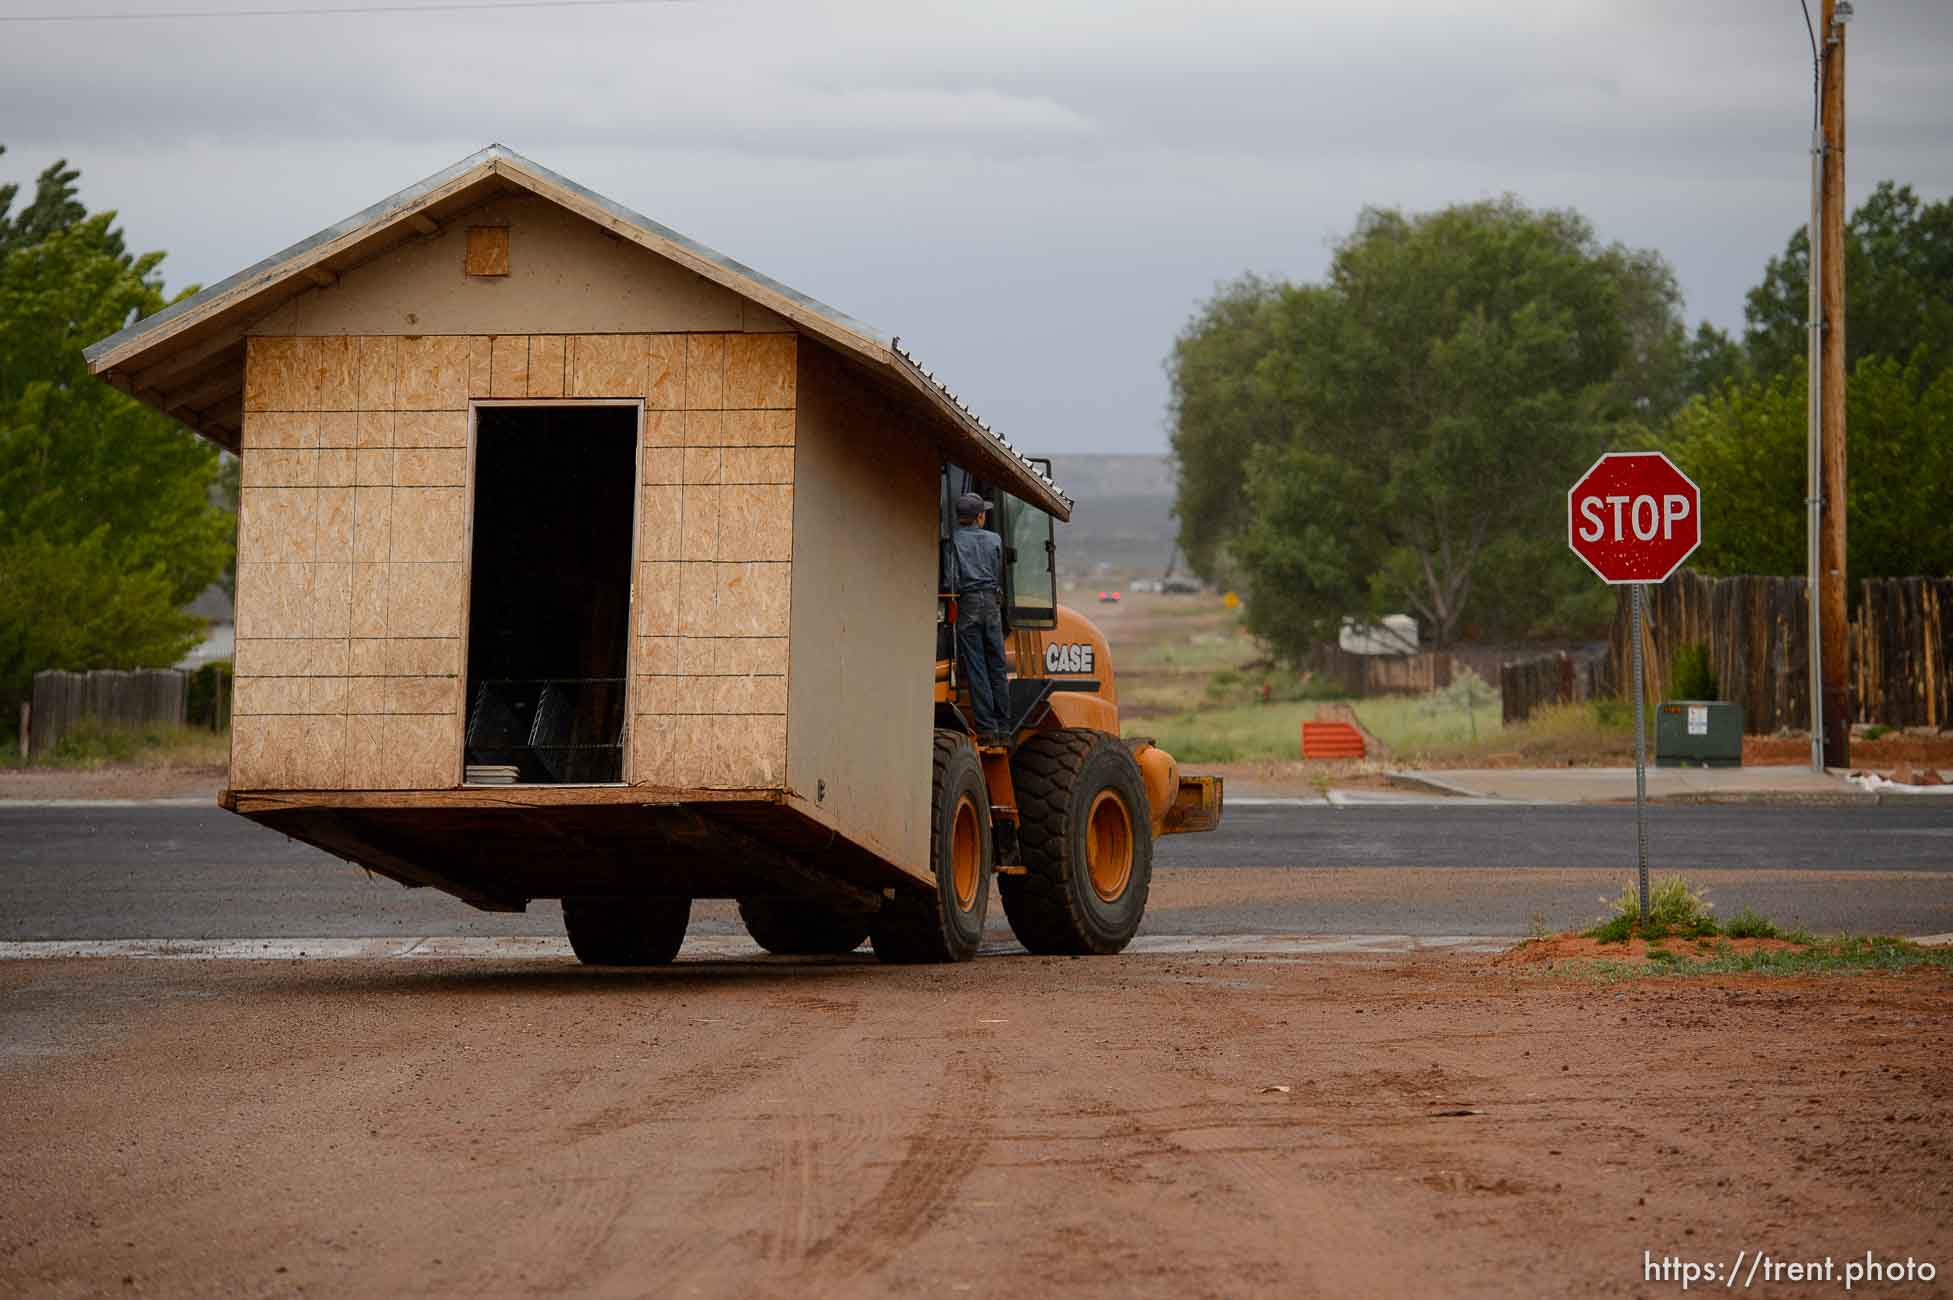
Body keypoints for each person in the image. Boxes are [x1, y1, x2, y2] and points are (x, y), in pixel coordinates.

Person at [950, 491, 1012, 745]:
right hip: (991, 603)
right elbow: (999, 571)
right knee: (997, 666)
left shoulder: (953, 540)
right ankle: (1004, 729)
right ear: (979, 517)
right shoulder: (994, 539)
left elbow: (952, 577)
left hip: (968, 603)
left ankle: (986, 729)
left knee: (976, 668)